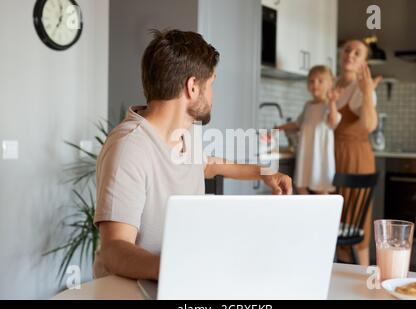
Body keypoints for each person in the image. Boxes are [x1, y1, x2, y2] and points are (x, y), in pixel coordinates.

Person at [92, 29, 292, 280]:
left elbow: (207, 165)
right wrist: (178, 269)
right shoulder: (129, 148)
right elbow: (114, 250)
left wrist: (264, 173)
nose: (212, 95)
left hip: (179, 282)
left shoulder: (185, 133)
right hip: (133, 289)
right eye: (211, 85)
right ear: (193, 87)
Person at [334, 39, 382, 266]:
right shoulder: (334, 84)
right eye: (347, 50)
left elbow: (370, 125)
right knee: (336, 223)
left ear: (364, 61)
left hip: (356, 158)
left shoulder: (363, 88)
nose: (350, 55)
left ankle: (364, 282)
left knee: (356, 224)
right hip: (334, 158)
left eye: (357, 53)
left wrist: (367, 91)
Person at [276, 65, 341, 195]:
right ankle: (310, 215)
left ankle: (323, 215)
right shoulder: (308, 105)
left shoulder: (329, 105)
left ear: (330, 84)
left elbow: (333, 122)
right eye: (311, 81)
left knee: (320, 189)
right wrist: (279, 128)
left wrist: (333, 102)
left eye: (320, 81)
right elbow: (298, 124)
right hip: (306, 155)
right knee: (300, 186)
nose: (315, 84)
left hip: (321, 157)